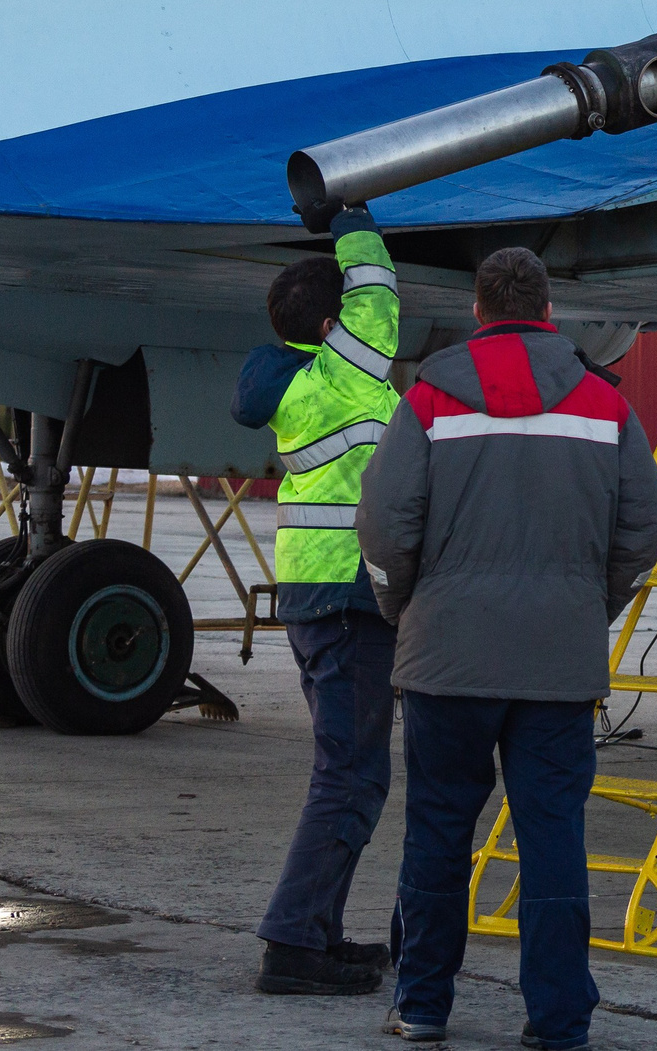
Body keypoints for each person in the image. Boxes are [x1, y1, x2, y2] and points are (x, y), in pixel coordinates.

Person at [358, 246, 657, 1048]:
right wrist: (587, 605)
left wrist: (406, 606)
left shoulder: (427, 399)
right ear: (550, 310)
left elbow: (385, 526)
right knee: (553, 835)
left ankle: (423, 1004)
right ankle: (559, 1020)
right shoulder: (605, 406)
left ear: (477, 308)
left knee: (437, 832)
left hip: (447, 659)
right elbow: (645, 527)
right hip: (556, 666)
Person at [234, 202, 402, 998]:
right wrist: (353, 217)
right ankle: (294, 943)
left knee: (352, 771)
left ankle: (319, 933)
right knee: (350, 775)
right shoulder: (349, 367)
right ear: (335, 324)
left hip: (312, 592)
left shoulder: (298, 383)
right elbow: (378, 286)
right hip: (348, 594)